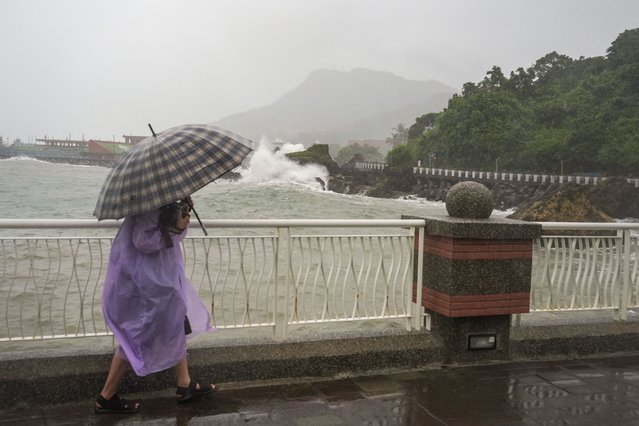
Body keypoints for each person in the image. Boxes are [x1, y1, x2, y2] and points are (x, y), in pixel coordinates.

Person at [95, 196, 215, 414]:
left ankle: (184, 383)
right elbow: (143, 241)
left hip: (160, 277)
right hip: (147, 282)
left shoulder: (162, 200)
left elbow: (172, 236)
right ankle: (106, 396)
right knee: (138, 335)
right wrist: (176, 227)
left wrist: (182, 214)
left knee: (176, 323)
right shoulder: (148, 203)